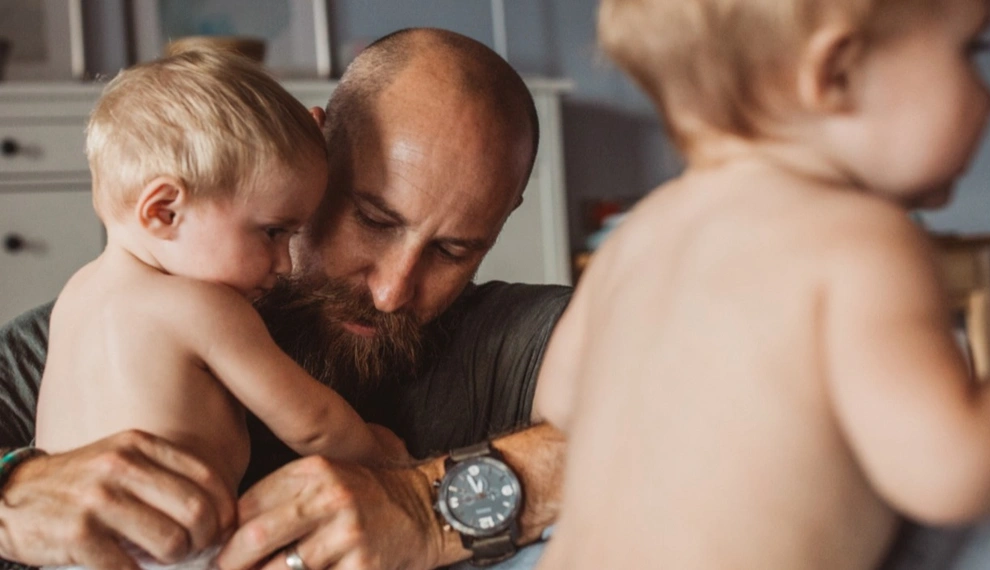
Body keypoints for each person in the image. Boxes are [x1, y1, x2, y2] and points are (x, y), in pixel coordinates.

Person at [0, 29, 569, 570]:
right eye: (372, 219)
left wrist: (427, 508)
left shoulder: (506, 338)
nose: (392, 290)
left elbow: (656, 411)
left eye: (451, 251)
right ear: (313, 150)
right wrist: (12, 490)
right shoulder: (48, 348)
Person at [533, 0, 990, 569]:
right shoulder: (860, 236)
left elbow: (557, 400)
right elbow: (951, 468)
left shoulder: (635, 237)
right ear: (838, 73)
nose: (989, 96)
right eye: (972, 51)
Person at [36, 49, 411, 568]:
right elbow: (313, 423)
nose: (284, 262)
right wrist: (385, 456)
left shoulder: (74, 298)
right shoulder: (204, 308)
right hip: (172, 550)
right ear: (164, 210)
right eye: (273, 232)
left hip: (65, 549)